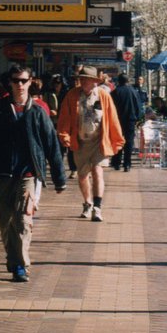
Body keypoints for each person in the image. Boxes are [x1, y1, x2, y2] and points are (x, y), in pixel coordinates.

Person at [0, 65, 66, 283]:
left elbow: (51, 145)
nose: (19, 85)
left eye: (23, 81)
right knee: (6, 222)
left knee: (23, 220)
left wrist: (59, 178)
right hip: (1, 174)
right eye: (15, 81)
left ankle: (20, 265)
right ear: (10, 82)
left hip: (27, 174)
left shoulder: (37, 112)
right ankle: (13, 257)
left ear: (30, 82)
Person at [56, 65, 124, 222]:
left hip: (99, 141)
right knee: (82, 175)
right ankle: (87, 203)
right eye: (83, 80)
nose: (87, 83)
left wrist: (117, 139)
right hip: (80, 142)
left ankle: (97, 207)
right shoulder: (72, 95)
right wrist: (64, 135)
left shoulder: (104, 96)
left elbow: (112, 118)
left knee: (97, 170)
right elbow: (64, 117)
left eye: (90, 80)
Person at [111, 73, 142, 171]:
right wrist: (137, 118)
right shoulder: (134, 91)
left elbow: (111, 108)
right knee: (129, 142)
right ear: (128, 81)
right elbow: (138, 107)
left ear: (118, 81)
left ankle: (116, 162)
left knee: (117, 140)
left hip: (118, 120)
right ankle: (127, 164)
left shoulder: (115, 92)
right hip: (130, 120)